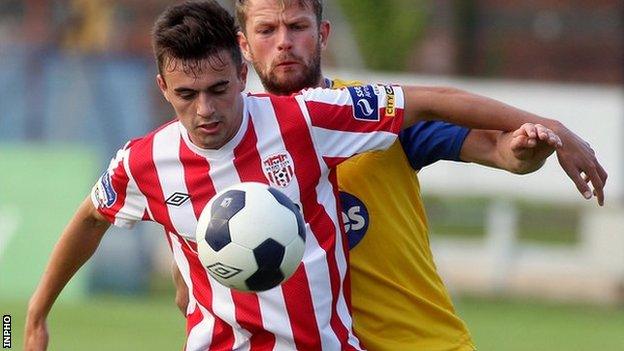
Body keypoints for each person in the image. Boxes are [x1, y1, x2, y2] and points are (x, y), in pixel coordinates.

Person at [24, 1, 595, 350]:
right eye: (187, 95)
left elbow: (451, 118)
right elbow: (94, 217)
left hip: (412, 338)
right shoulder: (146, 161)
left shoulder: (316, 115)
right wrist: (29, 319)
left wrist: (545, 133)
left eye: (296, 26)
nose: (205, 110)